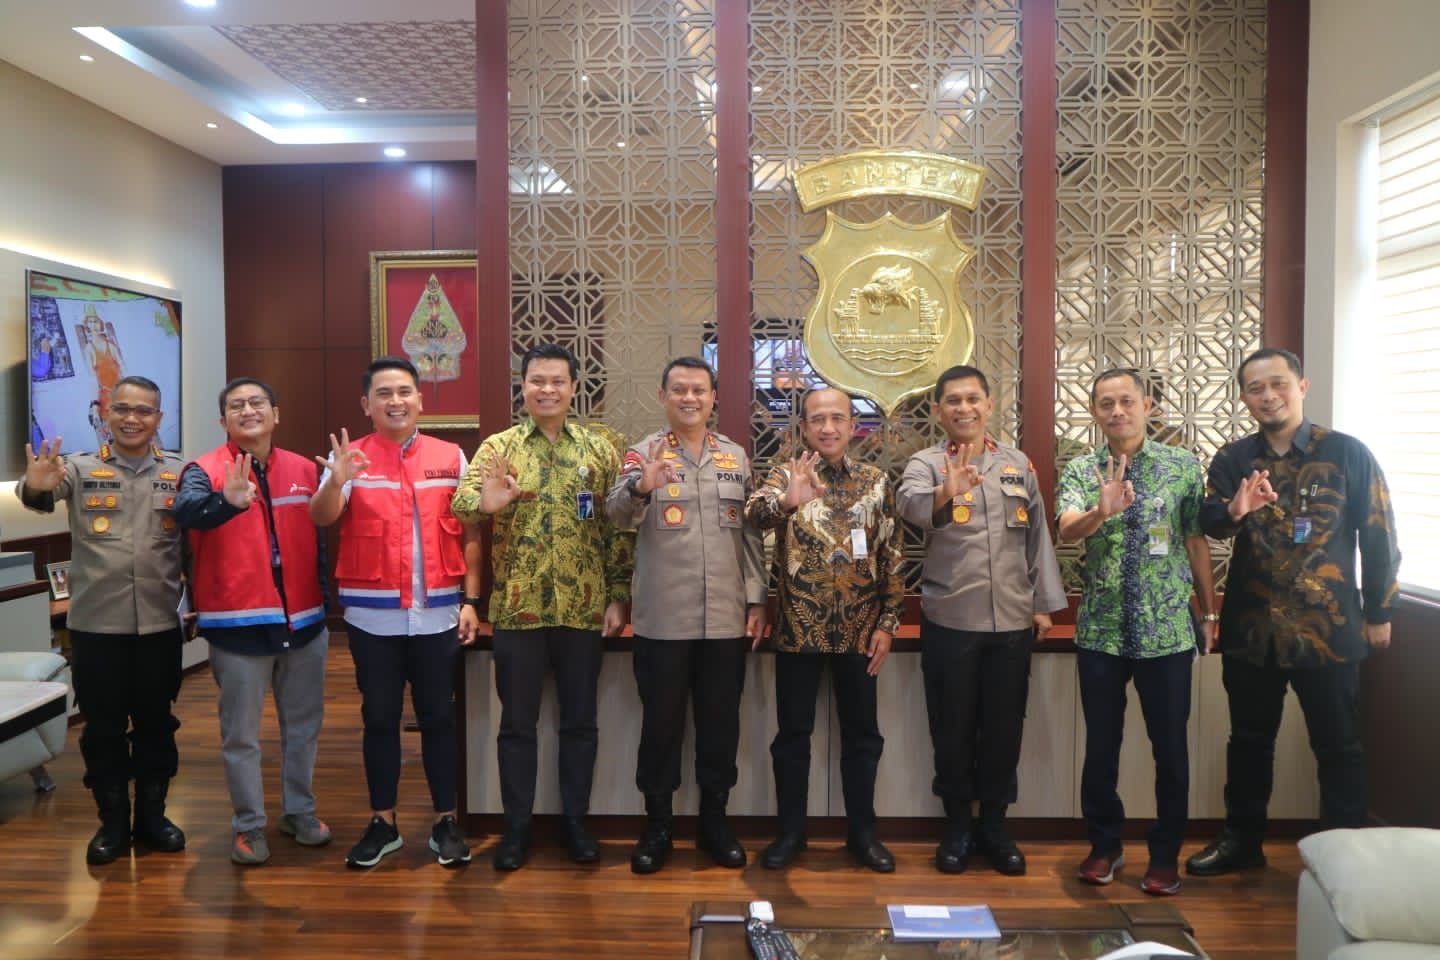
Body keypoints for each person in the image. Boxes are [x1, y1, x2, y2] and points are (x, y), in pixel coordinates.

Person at [1186, 348, 1400, 876]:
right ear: (1244, 397)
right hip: (1252, 629)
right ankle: (1242, 842)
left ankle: (1346, 858)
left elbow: (1378, 532)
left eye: (1278, 384)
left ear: (1301, 386)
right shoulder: (1234, 459)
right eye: (1256, 388)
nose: (1268, 396)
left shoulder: (1347, 453)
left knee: (1339, 747)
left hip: (1328, 630)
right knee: (1249, 742)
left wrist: (1379, 611)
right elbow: (1209, 522)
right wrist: (1236, 509)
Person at [451, 343, 634, 871]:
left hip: (583, 609)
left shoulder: (601, 449)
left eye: (557, 381)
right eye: (537, 381)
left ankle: (576, 823)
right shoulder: (500, 447)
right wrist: (485, 503)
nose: (547, 390)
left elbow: (617, 528)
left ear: (574, 388)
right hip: (518, 610)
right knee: (516, 726)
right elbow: (460, 505)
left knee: (580, 724)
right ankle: (516, 829)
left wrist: (618, 594)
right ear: (524, 386)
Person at [309, 356, 479, 870]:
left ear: (420, 400)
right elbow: (322, 516)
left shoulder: (451, 456)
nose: (396, 401)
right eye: (384, 393)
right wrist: (336, 481)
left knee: (439, 719)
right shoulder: (349, 458)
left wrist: (472, 601)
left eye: (404, 392)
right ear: (367, 404)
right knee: (379, 719)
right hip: (373, 617)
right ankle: (383, 821)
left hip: (439, 614)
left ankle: (446, 820)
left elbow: (470, 531)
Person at [896, 364, 1066, 876]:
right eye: (953, 400)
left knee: (1003, 730)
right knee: (951, 729)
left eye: (973, 399)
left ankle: (994, 826)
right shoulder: (926, 463)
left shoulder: (1016, 463)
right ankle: (956, 827)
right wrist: (945, 492)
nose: (964, 408)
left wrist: (1042, 602)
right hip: (951, 618)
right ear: (938, 410)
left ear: (989, 405)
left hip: (1012, 620)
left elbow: (1037, 535)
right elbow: (909, 506)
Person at [1056, 369, 1218, 896]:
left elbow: (1195, 540)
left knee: (1170, 749)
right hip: (1101, 631)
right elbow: (1067, 529)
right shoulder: (1081, 468)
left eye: (1126, 401)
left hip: (1167, 631)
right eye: (1106, 403)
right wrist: (1099, 513)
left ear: (1147, 406)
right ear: (1095, 412)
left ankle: (1165, 855)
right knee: (1101, 747)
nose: (1117, 411)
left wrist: (1209, 613)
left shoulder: (1181, 465)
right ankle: (1104, 846)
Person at [16, 375, 187, 865]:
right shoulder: (77, 467)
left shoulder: (179, 471)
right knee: (103, 730)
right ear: (106, 414)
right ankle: (112, 824)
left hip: (158, 627)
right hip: (96, 629)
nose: (132, 419)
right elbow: (42, 492)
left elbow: (194, 543)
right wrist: (33, 485)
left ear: (158, 418)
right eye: (122, 409)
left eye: (144, 410)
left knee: (157, 725)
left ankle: (152, 818)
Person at [605, 356, 766, 873]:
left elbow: (750, 536)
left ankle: (715, 824)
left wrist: (757, 598)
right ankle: (658, 827)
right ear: (663, 396)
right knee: (661, 728)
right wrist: (641, 487)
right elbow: (615, 514)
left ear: (713, 397)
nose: (689, 398)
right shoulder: (643, 453)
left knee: (720, 727)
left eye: (699, 390)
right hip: (663, 620)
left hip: (725, 619)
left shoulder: (735, 457)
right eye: (679, 390)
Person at [173, 378, 332, 865]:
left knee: (303, 726)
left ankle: (299, 812)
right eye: (236, 405)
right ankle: (248, 826)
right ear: (223, 420)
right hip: (238, 625)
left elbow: (321, 531)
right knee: (241, 736)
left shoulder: (304, 469)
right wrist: (227, 501)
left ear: (275, 413)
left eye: (257, 402)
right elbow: (187, 513)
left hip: (303, 621)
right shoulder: (202, 470)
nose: (248, 410)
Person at [744, 386, 903, 873]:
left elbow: (892, 554)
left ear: (853, 426)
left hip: (860, 631)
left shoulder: (876, 481)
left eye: (837, 418)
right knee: (793, 737)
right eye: (817, 419)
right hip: (799, 631)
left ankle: (863, 834)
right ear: (804, 427)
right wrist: (787, 502)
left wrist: (888, 622)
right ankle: (791, 834)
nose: (828, 427)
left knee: (863, 737)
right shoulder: (784, 474)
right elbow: (752, 516)